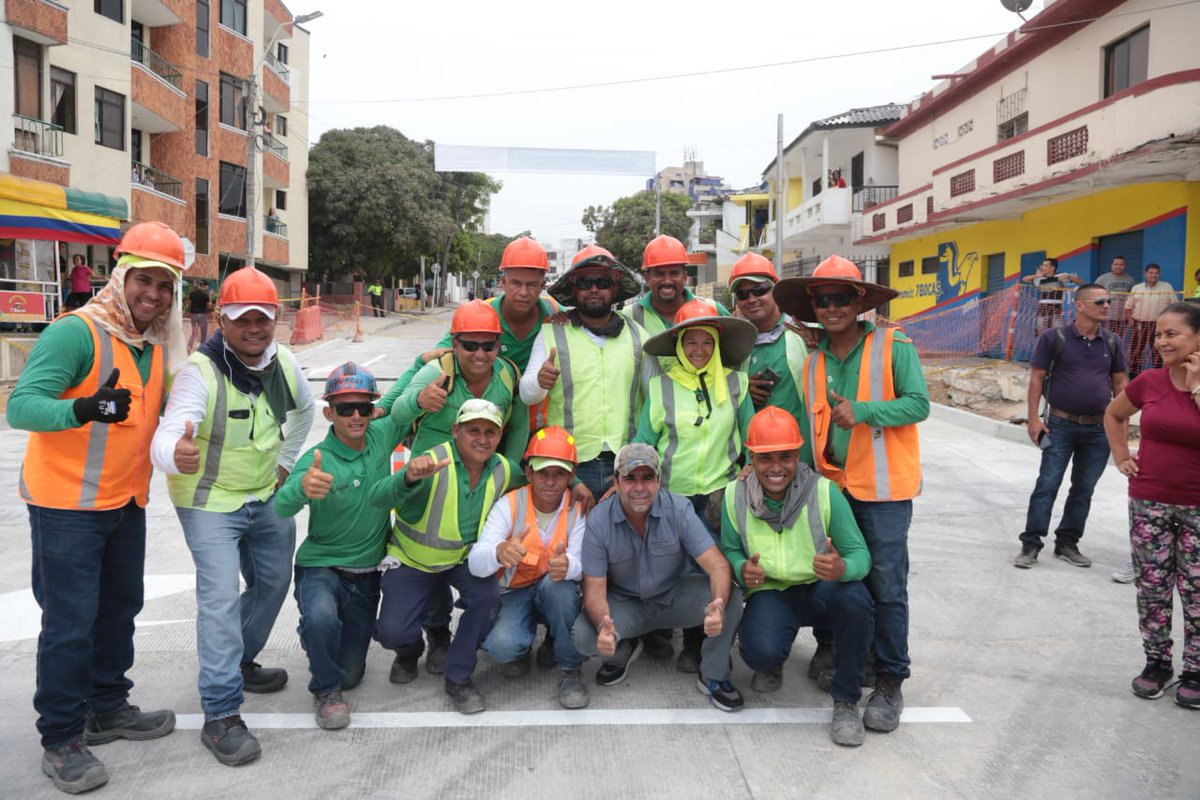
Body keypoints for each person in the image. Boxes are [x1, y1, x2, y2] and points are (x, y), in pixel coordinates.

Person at [9, 221, 188, 794]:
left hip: (125, 502)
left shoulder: (154, 344)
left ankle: (107, 705)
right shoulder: (76, 333)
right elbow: (22, 407)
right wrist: (82, 408)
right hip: (65, 508)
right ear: (121, 275)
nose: (153, 294)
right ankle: (61, 738)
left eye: (165, 285)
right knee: (69, 624)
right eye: (144, 280)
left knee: (119, 609)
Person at [150, 265, 315, 766]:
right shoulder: (200, 374)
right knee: (220, 596)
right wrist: (171, 453)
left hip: (264, 495)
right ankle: (221, 713)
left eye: (262, 318)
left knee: (272, 584)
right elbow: (170, 429)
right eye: (242, 319)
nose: (253, 328)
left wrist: (286, 462)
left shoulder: (282, 364)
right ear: (222, 319)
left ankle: (238, 660)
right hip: (209, 501)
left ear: (275, 319)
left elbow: (305, 413)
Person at [775, 254, 929, 734]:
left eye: (841, 298)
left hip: (883, 493)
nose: (831, 307)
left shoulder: (892, 344)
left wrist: (864, 411)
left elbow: (919, 403)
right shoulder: (815, 361)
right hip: (834, 491)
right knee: (842, 582)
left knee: (886, 589)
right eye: (822, 300)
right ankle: (850, 660)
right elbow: (810, 424)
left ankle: (889, 681)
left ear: (859, 300)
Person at [383, 300, 542, 680]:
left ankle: (453, 639)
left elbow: (517, 422)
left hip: (480, 475)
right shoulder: (436, 372)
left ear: (499, 346)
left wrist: (514, 472)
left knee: (464, 550)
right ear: (454, 344)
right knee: (431, 548)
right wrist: (418, 401)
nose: (479, 354)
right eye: (470, 345)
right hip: (432, 477)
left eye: (488, 345)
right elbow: (397, 414)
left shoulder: (506, 374)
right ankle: (426, 637)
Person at [720, 407, 874, 746]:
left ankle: (846, 699)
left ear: (798, 455)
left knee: (856, 600)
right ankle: (774, 659)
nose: (776, 467)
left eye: (785, 457)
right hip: (773, 593)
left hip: (821, 590)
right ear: (751, 457)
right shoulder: (735, 495)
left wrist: (842, 568)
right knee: (759, 653)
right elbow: (730, 550)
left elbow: (861, 555)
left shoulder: (824, 492)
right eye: (765, 458)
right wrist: (741, 569)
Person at [369, 399, 520, 714]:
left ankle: (459, 675)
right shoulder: (431, 463)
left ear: (500, 434)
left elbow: (539, 482)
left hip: (462, 561)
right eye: (473, 430)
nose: (482, 438)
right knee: (392, 632)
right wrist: (408, 477)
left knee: (487, 599)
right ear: (455, 431)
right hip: (413, 559)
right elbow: (378, 497)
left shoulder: (504, 469)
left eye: (490, 432)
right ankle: (411, 650)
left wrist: (573, 485)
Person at [274, 363, 402, 730]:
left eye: (364, 406)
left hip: (365, 576)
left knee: (352, 675)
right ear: (329, 413)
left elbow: (409, 401)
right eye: (346, 408)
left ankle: (323, 649)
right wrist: (301, 489)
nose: (357, 415)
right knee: (321, 620)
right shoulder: (317, 460)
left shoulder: (382, 434)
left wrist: (433, 357)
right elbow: (281, 505)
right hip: (321, 566)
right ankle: (325, 690)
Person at [571, 443, 743, 709]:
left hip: (674, 598)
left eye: (647, 478)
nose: (639, 487)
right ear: (616, 482)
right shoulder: (599, 520)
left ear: (659, 480)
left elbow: (717, 565)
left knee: (730, 598)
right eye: (630, 478)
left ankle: (714, 675)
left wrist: (717, 605)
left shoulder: (678, 508)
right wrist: (605, 626)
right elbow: (594, 591)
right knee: (584, 635)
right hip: (626, 606)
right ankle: (621, 651)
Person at [635, 297, 755, 671]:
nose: (699, 350)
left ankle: (713, 644)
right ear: (679, 346)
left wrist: (748, 467)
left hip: (720, 495)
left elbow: (752, 437)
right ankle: (689, 643)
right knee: (682, 571)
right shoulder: (661, 387)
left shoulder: (737, 383)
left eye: (706, 342)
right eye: (690, 342)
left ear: (717, 344)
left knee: (718, 569)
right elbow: (643, 445)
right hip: (674, 498)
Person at [1103, 301, 1200, 710]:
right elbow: (1114, 413)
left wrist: (1196, 386)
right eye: (1159, 334)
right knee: (1153, 587)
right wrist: (1122, 456)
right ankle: (1156, 662)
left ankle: (1195, 669)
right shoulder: (1150, 381)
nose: (1161, 341)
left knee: (1196, 591)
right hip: (1149, 502)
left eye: (1171, 333)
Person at [468, 426, 590, 709]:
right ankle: (520, 648)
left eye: (559, 473)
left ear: (571, 476)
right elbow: (476, 562)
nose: (550, 481)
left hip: (553, 592)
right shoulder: (508, 505)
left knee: (561, 589)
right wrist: (499, 552)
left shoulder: (578, 509)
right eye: (543, 472)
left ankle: (569, 669)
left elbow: (586, 565)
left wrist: (569, 566)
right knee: (502, 648)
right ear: (529, 472)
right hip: (513, 593)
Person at [520, 245, 655, 500]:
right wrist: (540, 381)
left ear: (614, 289)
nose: (594, 289)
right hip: (569, 465)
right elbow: (527, 394)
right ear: (574, 289)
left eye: (602, 282)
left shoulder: (638, 336)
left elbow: (655, 403)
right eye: (585, 283)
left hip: (625, 464)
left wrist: (635, 465)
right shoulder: (552, 333)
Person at [1013, 283, 1128, 570]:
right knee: (1047, 484)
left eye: (1108, 301)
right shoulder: (1055, 337)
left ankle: (1067, 542)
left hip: (1098, 430)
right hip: (1060, 426)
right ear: (1079, 305)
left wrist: (1121, 431)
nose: (1106, 306)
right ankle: (1031, 543)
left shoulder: (1112, 342)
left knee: (1084, 489)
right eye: (1100, 301)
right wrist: (1033, 418)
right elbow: (1037, 379)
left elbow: (1120, 386)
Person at [727, 252, 810, 415]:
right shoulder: (733, 343)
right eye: (743, 294)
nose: (751, 299)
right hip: (750, 438)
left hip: (800, 438)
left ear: (776, 290)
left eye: (759, 290)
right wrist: (742, 389)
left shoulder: (805, 333)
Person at [627, 234, 730, 345]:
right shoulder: (628, 316)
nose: (667, 281)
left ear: (684, 277)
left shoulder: (712, 310)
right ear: (647, 278)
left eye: (674, 273)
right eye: (659, 274)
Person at [1126, 264, 1175, 377]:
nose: (1153, 275)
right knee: (1136, 350)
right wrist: (1131, 321)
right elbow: (1128, 307)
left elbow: (1174, 305)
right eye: (1151, 273)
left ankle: (1159, 374)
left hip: (1159, 325)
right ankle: (1133, 374)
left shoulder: (1167, 287)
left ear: (1159, 274)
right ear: (1145, 274)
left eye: (1156, 273)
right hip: (1139, 324)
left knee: (1157, 350)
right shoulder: (1137, 288)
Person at [1022, 258, 1083, 334]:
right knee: (1039, 331)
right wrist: (1037, 275)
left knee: (1059, 332)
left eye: (1045, 265)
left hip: (1056, 308)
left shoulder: (1060, 277)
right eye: (1042, 265)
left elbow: (1080, 282)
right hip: (1042, 309)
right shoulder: (1040, 279)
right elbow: (1025, 279)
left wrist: (1069, 276)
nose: (1042, 267)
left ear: (1052, 268)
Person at [1096, 256, 1136, 342]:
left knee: (1119, 340)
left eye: (1121, 264)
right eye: (1116, 264)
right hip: (1107, 316)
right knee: (1105, 339)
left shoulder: (1130, 279)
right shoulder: (1102, 279)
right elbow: (1095, 296)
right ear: (1111, 265)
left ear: (1125, 266)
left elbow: (1132, 298)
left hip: (1123, 317)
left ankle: (1116, 355)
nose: (1118, 266)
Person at [187, 278, 212, 353]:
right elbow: (209, 306)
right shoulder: (205, 295)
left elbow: (188, 304)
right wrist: (210, 296)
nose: (207, 287)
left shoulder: (192, 293)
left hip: (193, 315)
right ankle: (202, 351)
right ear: (204, 286)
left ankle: (189, 346)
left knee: (194, 333)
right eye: (207, 286)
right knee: (203, 334)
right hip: (202, 315)